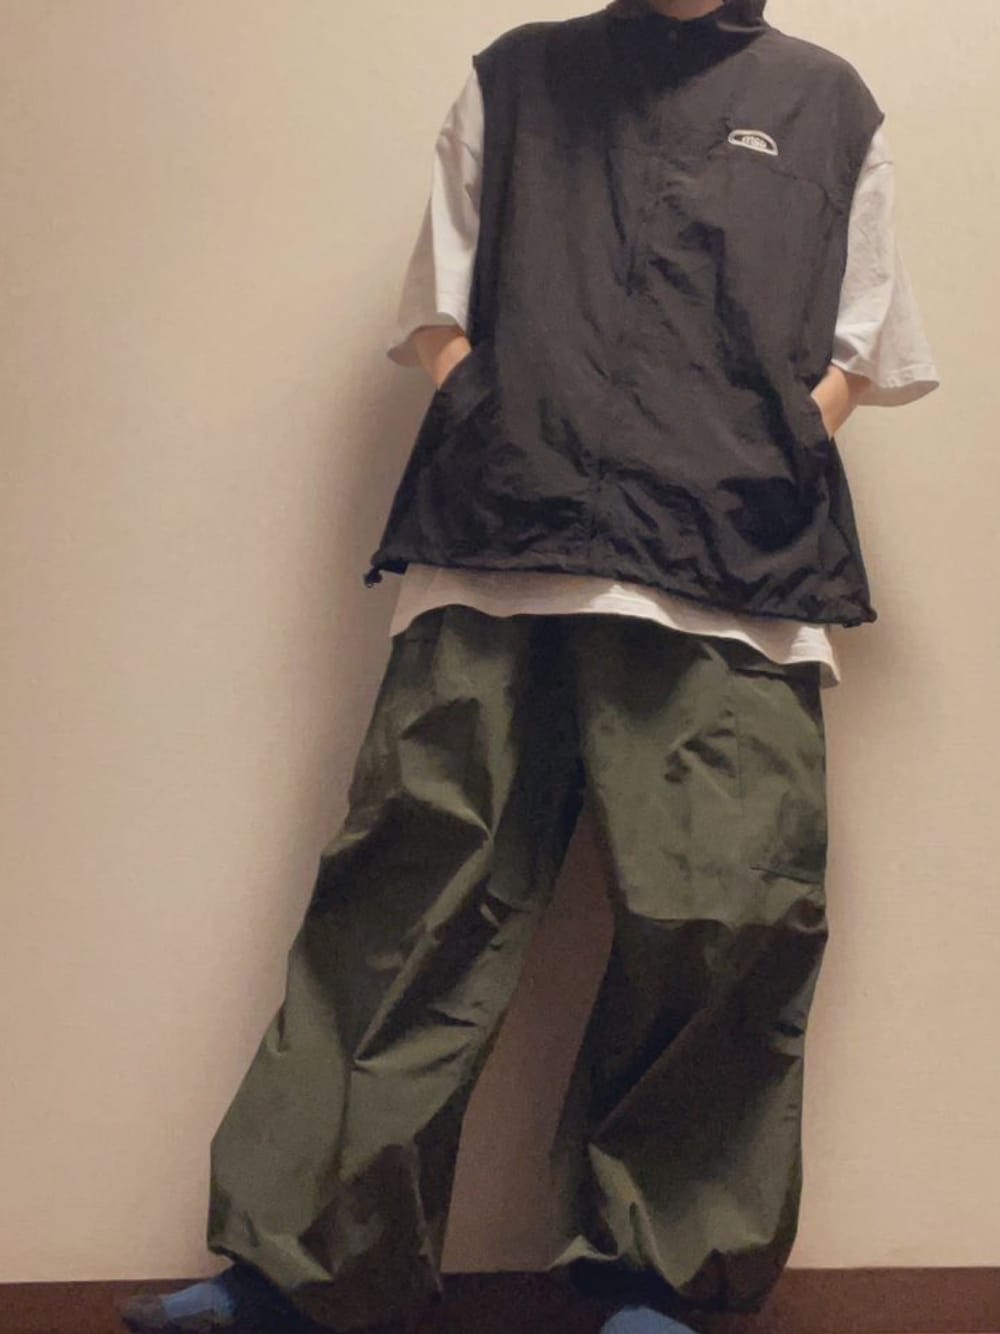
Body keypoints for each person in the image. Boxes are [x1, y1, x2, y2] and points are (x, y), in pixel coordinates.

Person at [120, 1, 939, 1332]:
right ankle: (300, 1273)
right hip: (497, 549)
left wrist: (769, 441)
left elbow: (865, 339)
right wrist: (488, 409)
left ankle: (656, 1277)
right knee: (404, 905)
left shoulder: (828, 105)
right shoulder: (518, 77)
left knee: (723, 923)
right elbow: (437, 301)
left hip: (732, 571)